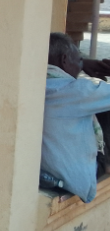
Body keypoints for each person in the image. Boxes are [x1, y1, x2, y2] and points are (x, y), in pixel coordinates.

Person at [41, 33, 110, 202]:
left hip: (44, 171)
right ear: (64, 59)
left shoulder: (37, 83)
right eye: (79, 60)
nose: (80, 67)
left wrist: (82, 62)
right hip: (72, 179)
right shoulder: (76, 91)